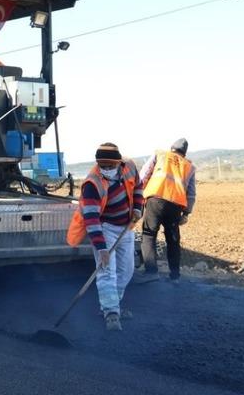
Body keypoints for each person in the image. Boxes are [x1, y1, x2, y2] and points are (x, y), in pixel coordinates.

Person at [67, 142, 144, 331]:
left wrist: (137, 209)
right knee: (106, 271)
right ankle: (111, 313)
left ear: (119, 163)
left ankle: (113, 305)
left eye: (110, 166)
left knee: (126, 270)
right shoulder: (92, 184)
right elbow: (91, 218)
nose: (107, 169)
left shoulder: (130, 167)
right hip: (105, 227)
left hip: (126, 226)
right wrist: (101, 248)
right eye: (103, 166)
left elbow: (138, 188)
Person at [135, 138, 196, 284]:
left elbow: (143, 175)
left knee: (149, 235)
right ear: (184, 153)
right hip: (175, 205)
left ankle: (151, 272)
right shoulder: (189, 166)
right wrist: (186, 213)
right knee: (173, 240)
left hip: (155, 199)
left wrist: (137, 197)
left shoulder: (160, 154)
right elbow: (191, 193)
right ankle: (175, 276)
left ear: (172, 148)